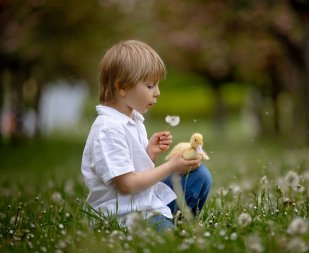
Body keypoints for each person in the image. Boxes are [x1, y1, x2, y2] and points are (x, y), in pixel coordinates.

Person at [81, 40, 212, 231]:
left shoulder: (134, 119)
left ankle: (175, 224)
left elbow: (133, 169)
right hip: (124, 215)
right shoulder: (108, 129)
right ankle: (166, 229)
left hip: (146, 203)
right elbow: (126, 185)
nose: (157, 92)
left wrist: (149, 153)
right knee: (166, 243)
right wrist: (171, 166)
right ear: (122, 87)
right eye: (150, 86)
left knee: (199, 175)